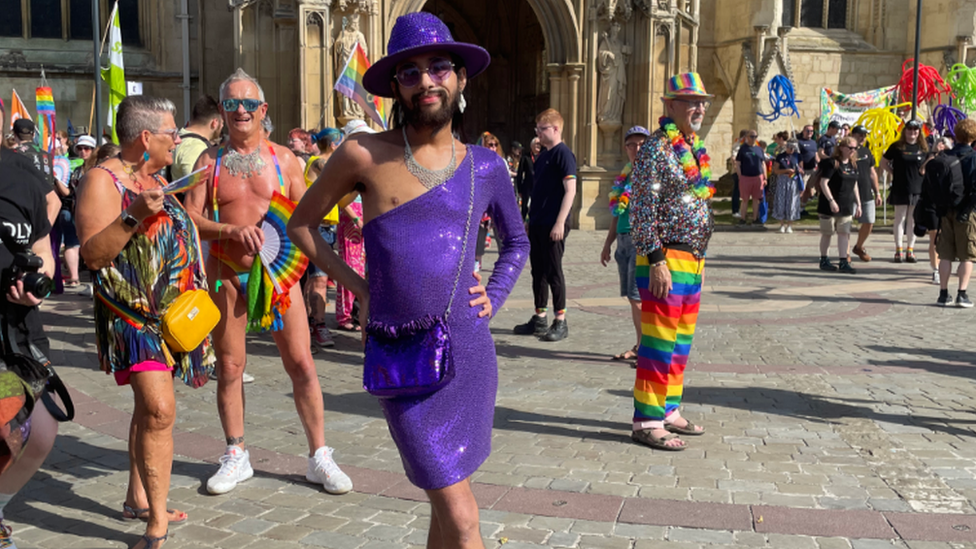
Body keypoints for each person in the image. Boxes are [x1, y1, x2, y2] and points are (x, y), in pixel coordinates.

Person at [289, 12, 528, 548]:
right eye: (411, 72)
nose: (426, 81)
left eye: (439, 67)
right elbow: (302, 225)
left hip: (469, 353)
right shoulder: (363, 154)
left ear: (460, 78)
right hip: (402, 355)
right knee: (462, 517)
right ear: (395, 86)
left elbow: (518, 242)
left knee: (447, 508)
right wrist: (362, 288)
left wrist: (493, 295)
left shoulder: (486, 166)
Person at [182, 69, 353, 497]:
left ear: (263, 110)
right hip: (228, 276)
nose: (240, 111)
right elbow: (189, 218)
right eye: (231, 103)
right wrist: (229, 232)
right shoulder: (209, 162)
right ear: (221, 112)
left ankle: (319, 456)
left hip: (279, 276)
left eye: (248, 104)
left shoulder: (285, 159)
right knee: (231, 367)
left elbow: (306, 213)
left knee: (301, 364)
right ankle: (236, 454)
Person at [75, 95, 216, 549]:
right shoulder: (102, 181)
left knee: (146, 408)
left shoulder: (157, 177)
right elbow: (93, 256)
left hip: (174, 315)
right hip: (132, 315)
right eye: (172, 132)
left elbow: (181, 232)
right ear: (145, 137)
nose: (178, 139)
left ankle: (138, 496)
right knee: (159, 410)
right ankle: (156, 524)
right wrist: (135, 214)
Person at [629, 72, 714, 451]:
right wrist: (656, 259)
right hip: (665, 256)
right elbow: (642, 209)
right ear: (670, 105)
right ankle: (647, 419)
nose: (699, 108)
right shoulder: (655, 149)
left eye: (703, 102)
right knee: (659, 343)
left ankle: (669, 408)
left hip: (694, 257)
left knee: (680, 342)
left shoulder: (693, 147)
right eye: (691, 101)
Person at [0, 143, 60, 549]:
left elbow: (42, 251)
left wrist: (39, 287)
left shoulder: (21, 172)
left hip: (15, 333)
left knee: (37, 431)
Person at [512, 108, 577, 342]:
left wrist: (560, 222)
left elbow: (571, 191)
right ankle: (540, 316)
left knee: (553, 271)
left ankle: (561, 320)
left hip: (553, 223)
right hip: (538, 221)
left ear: (556, 129)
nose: (538, 132)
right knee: (537, 271)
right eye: (537, 128)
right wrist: (529, 219)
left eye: (542, 128)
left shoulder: (563, 154)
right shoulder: (542, 156)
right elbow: (536, 192)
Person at [601, 125, 649, 364]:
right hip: (622, 239)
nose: (637, 149)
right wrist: (608, 242)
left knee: (640, 298)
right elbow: (617, 212)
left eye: (642, 144)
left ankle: (647, 349)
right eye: (632, 145)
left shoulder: (652, 174)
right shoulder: (626, 174)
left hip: (641, 240)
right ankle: (640, 345)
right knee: (633, 298)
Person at [302, 126, 344, 347]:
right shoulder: (318, 163)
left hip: (326, 228)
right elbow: (334, 174)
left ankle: (310, 323)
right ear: (335, 145)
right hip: (317, 228)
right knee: (319, 280)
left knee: (314, 280)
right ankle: (318, 325)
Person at [931, 119, 976, 307]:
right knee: (967, 255)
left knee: (946, 254)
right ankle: (962, 293)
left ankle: (943, 293)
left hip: (945, 210)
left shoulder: (945, 155)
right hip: (965, 210)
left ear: (955, 135)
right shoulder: (973, 157)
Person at [332, 123, 368, 332]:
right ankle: (344, 314)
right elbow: (341, 199)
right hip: (351, 220)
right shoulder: (345, 163)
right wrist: (357, 220)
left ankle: (356, 312)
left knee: (361, 270)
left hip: (364, 218)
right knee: (349, 268)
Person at [882, 119, 928, 263]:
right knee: (899, 218)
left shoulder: (923, 147)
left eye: (915, 130)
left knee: (913, 219)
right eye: (909, 129)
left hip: (917, 187)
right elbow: (883, 162)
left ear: (919, 132)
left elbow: (927, 165)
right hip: (900, 187)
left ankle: (910, 249)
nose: (912, 132)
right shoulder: (897, 147)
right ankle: (898, 249)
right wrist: (893, 172)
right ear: (905, 131)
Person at [816, 136, 861, 274]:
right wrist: (831, 201)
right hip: (829, 205)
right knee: (827, 233)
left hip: (846, 205)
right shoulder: (833, 163)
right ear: (841, 148)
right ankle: (824, 260)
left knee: (844, 233)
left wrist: (858, 204)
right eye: (850, 148)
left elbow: (855, 185)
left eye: (855, 148)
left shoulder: (853, 165)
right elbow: (824, 183)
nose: (853, 151)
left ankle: (843, 261)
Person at [172, 95, 224, 181]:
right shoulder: (195, 147)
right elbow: (195, 185)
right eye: (222, 123)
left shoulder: (181, 136)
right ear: (215, 123)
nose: (222, 126)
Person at [850, 125, 882, 263]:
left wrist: (878, 192)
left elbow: (872, 172)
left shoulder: (867, 151)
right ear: (853, 135)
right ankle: (844, 253)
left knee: (869, 222)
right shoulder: (846, 151)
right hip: (849, 193)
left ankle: (859, 246)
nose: (862, 137)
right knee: (846, 224)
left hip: (866, 192)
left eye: (864, 135)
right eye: (860, 134)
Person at [735, 130, 765, 226]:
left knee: (756, 199)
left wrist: (765, 177)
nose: (754, 138)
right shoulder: (743, 149)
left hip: (758, 177)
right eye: (752, 136)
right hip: (746, 177)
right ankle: (743, 219)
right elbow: (738, 163)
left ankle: (755, 219)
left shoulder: (759, 149)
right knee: (745, 199)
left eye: (755, 136)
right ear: (747, 137)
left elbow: (763, 163)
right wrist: (740, 176)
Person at [771, 139, 802, 233]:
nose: (792, 150)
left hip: (793, 180)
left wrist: (798, 170)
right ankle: (781, 224)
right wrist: (786, 170)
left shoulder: (797, 156)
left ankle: (790, 225)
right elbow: (776, 171)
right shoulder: (780, 156)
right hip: (782, 180)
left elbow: (801, 169)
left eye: (793, 148)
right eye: (790, 147)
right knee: (781, 201)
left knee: (792, 202)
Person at [515, 138, 540, 220]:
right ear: (531, 145)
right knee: (525, 208)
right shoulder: (526, 157)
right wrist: (520, 189)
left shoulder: (543, 156)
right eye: (536, 144)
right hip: (528, 187)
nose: (538, 145)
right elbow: (520, 174)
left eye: (539, 144)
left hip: (539, 187)